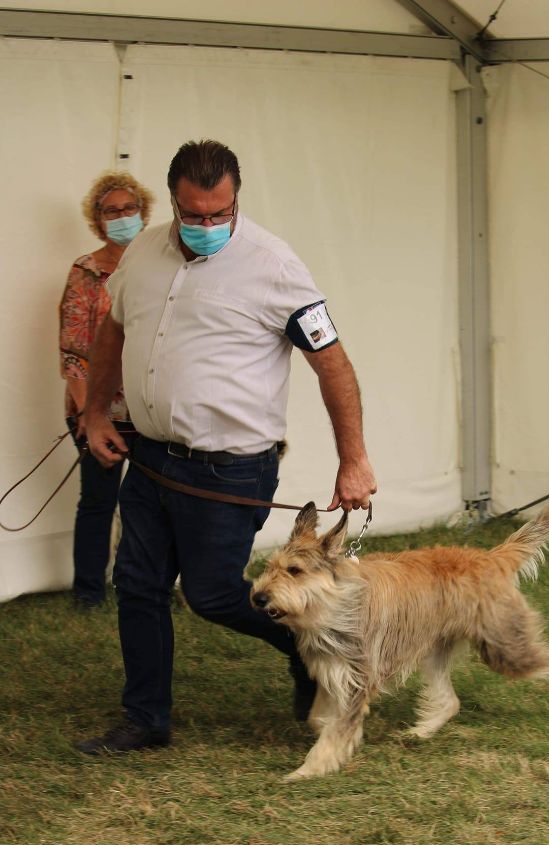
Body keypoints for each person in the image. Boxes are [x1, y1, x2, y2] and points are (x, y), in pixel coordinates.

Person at [77, 139, 376, 754]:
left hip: (231, 467)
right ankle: (146, 719)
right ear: (176, 202)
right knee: (137, 585)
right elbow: (112, 333)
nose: (208, 226)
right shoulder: (143, 253)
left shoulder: (276, 266)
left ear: (236, 200)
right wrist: (95, 410)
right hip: (152, 456)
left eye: (221, 214)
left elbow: (333, 364)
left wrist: (354, 458)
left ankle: (306, 648)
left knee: (213, 594)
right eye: (195, 215)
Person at [59, 171, 154, 607]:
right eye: (110, 210)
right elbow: (74, 352)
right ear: (98, 220)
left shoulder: (156, 266)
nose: (121, 217)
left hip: (148, 413)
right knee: (98, 502)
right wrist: (86, 415)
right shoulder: (85, 272)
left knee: (148, 507)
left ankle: (142, 584)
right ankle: (88, 592)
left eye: (128, 208)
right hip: (97, 411)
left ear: (143, 212)